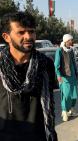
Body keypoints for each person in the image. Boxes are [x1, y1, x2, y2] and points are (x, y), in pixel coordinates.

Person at [0, 12, 57, 140]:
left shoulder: (45, 64)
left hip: (39, 135)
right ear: (6, 37)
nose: (28, 36)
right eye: (21, 32)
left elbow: (48, 102)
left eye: (31, 32)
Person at [54, 34, 78, 122]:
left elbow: (73, 63)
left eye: (72, 40)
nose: (72, 41)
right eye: (70, 40)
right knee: (66, 95)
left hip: (73, 76)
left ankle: (71, 110)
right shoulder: (59, 51)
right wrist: (58, 75)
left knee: (74, 95)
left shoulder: (71, 50)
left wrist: (76, 73)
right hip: (65, 77)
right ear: (66, 41)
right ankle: (64, 112)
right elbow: (56, 64)